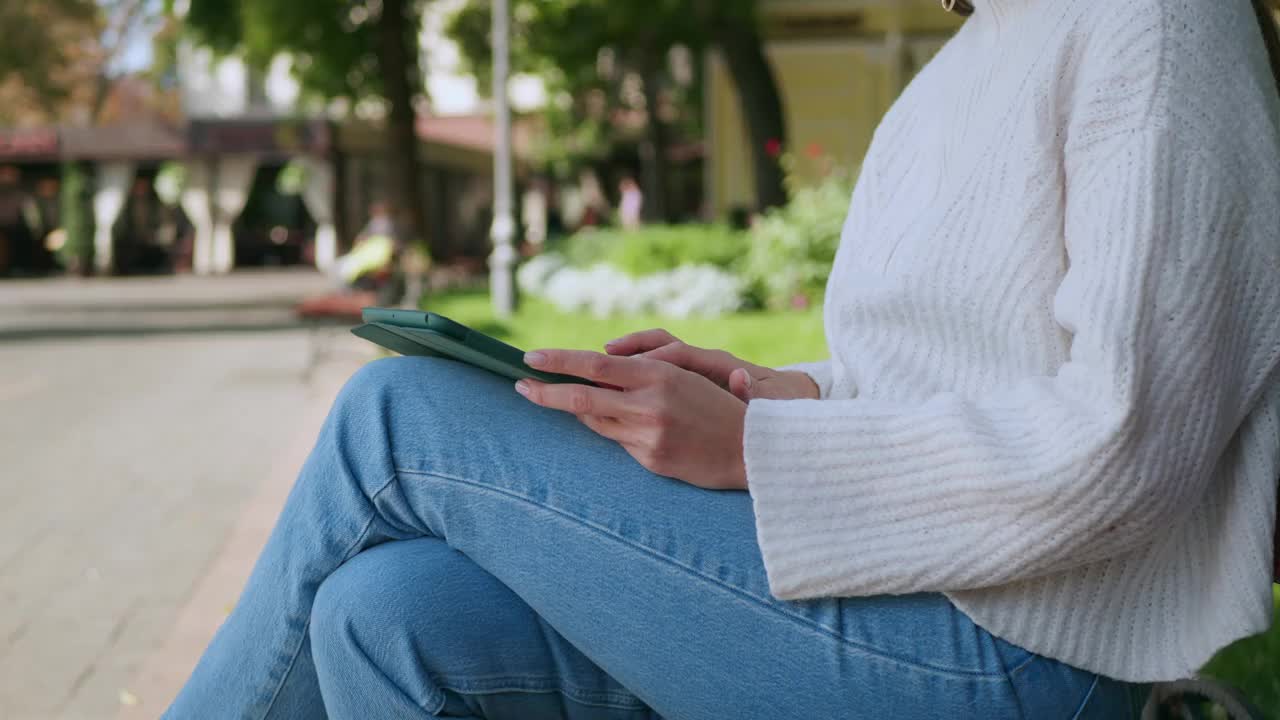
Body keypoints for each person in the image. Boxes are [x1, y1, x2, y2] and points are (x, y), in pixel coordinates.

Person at [167, 1, 1280, 717]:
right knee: (385, 608)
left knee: (399, 414)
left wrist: (759, 452)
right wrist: (767, 393)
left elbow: (1125, 441)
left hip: (1021, 649)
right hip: (911, 583)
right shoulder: (976, 49)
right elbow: (939, 373)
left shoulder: (1159, 24)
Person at [327, 201, 399, 291]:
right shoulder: (376, 224)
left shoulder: (384, 228)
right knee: (343, 266)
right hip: (366, 254)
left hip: (370, 256)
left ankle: (346, 286)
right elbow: (362, 237)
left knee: (346, 267)